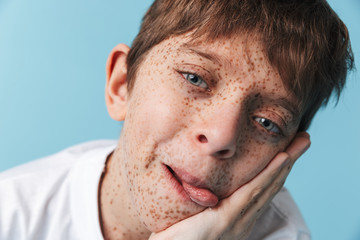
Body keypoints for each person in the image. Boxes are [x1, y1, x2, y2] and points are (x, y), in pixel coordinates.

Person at [0, 0, 354, 239]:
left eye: (266, 122)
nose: (220, 137)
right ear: (121, 85)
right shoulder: (12, 213)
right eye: (195, 78)